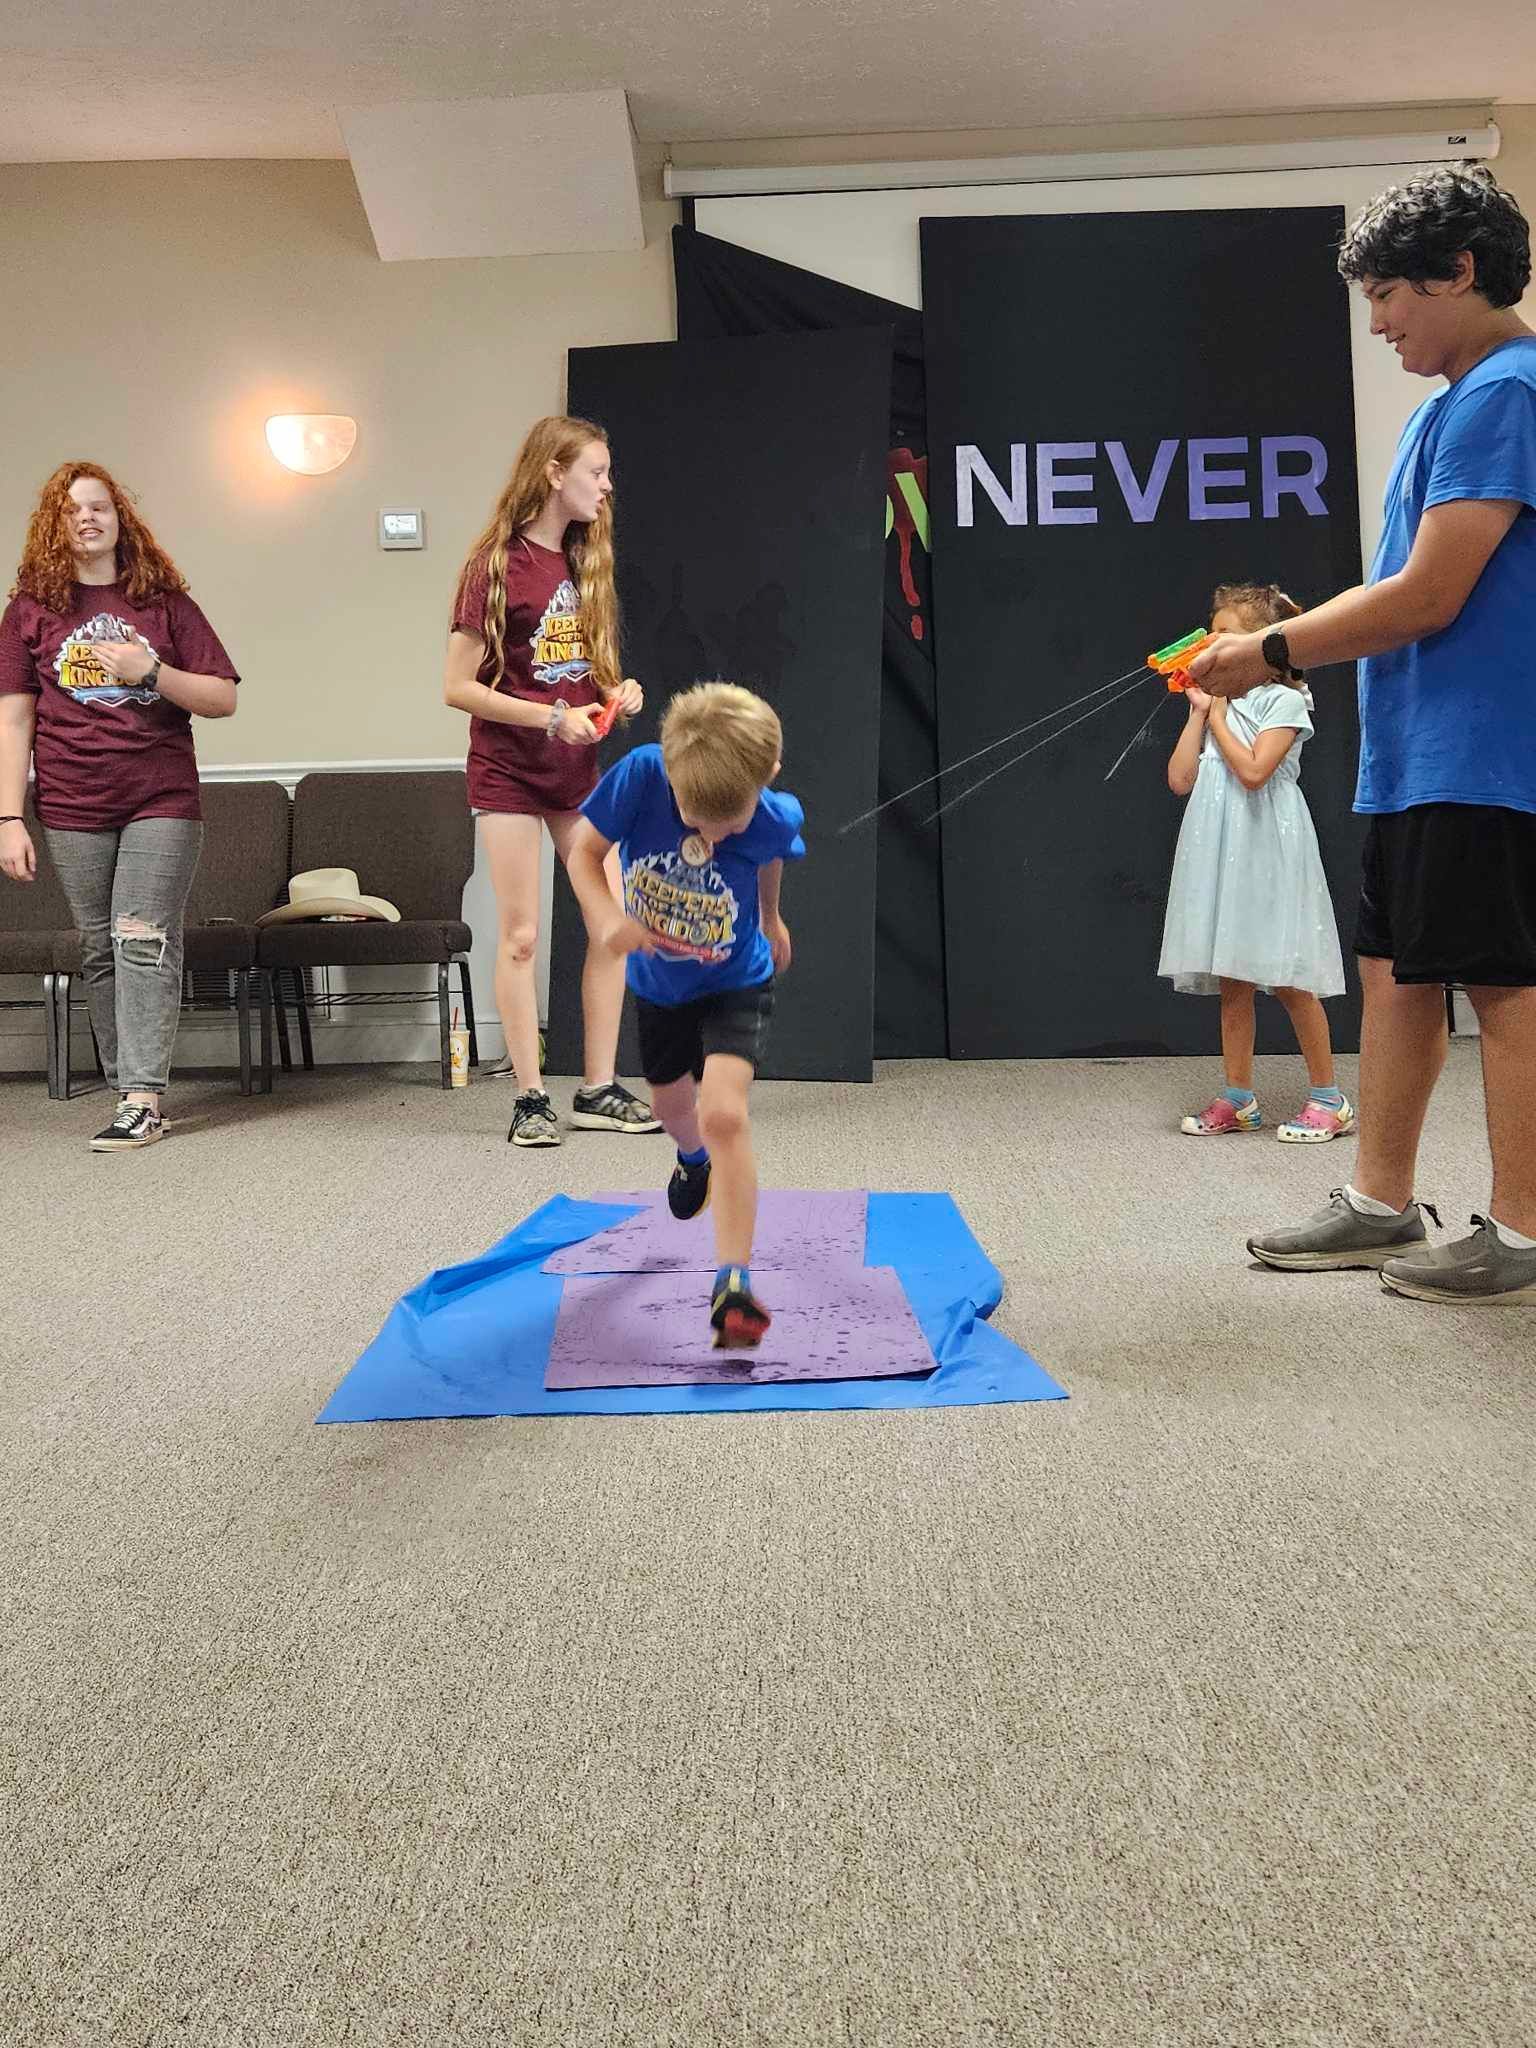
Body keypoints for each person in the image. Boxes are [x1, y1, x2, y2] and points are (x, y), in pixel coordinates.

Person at [1190, 163, 1536, 1306]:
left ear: (1461, 271)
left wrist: (1272, 652)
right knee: (1396, 972)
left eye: (1390, 292)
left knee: (1504, 984)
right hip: (1419, 752)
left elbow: (1431, 593)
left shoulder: (1508, 392)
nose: (1379, 320)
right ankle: (1381, 1204)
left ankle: (1525, 1233)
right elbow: (1403, 591)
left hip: (1490, 752)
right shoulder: (1450, 402)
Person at [0, 463, 239, 1151]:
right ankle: (126, 1082)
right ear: (55, 525)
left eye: (100, 506)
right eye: (72, 510)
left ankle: (142, 1096)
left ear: (119, 518)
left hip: (159, 795)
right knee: (100, 947)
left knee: (141, 938)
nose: (87, 518)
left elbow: (223, 697)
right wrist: (9, 816)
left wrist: (151, 674)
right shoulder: (28, 612)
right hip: (71, 802)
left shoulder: (163, 604)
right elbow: (14, 722)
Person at [565, 684, 804, 1348]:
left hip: (736, 979)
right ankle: (690, 1157)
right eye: (696, 817)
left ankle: (734, 1283)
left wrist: (770, 917)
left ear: (767, 777)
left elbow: (772, 856)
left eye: (727, 824)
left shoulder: (775, 816)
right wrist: (608, 916)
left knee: (726, 1111)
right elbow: (582, 853)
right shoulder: (642, 775)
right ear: (671, 773)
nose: (710, 835)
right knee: (674, 1110)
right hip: (659, 985)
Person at [444, 416, 661, 1148]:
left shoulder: (583, 565)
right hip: (508, 769)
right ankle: (531, 1097)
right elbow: (457, 688)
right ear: (552, 474)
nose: (607, 485)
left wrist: (615, 693)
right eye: (596, 472)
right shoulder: (494, 566)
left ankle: (596, 1086)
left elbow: (578, 677)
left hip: (574, 771)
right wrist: (547, 719)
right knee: (523, 934)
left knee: (613, 923)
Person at [1160, 582, 1352, 1142]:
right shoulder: (1216, 704)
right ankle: (1239, 1097)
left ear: (1263, 647)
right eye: (1210, 634)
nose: (1210, 647)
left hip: (1266, 840)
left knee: (1287, 976)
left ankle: (1329, 1097)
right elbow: (1180, 779)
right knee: (1234, 979)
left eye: (1225, 637)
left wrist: (1216, 713)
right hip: (1220, 844)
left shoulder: (1285, 701)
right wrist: (1200, 712)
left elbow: (1253, 771)